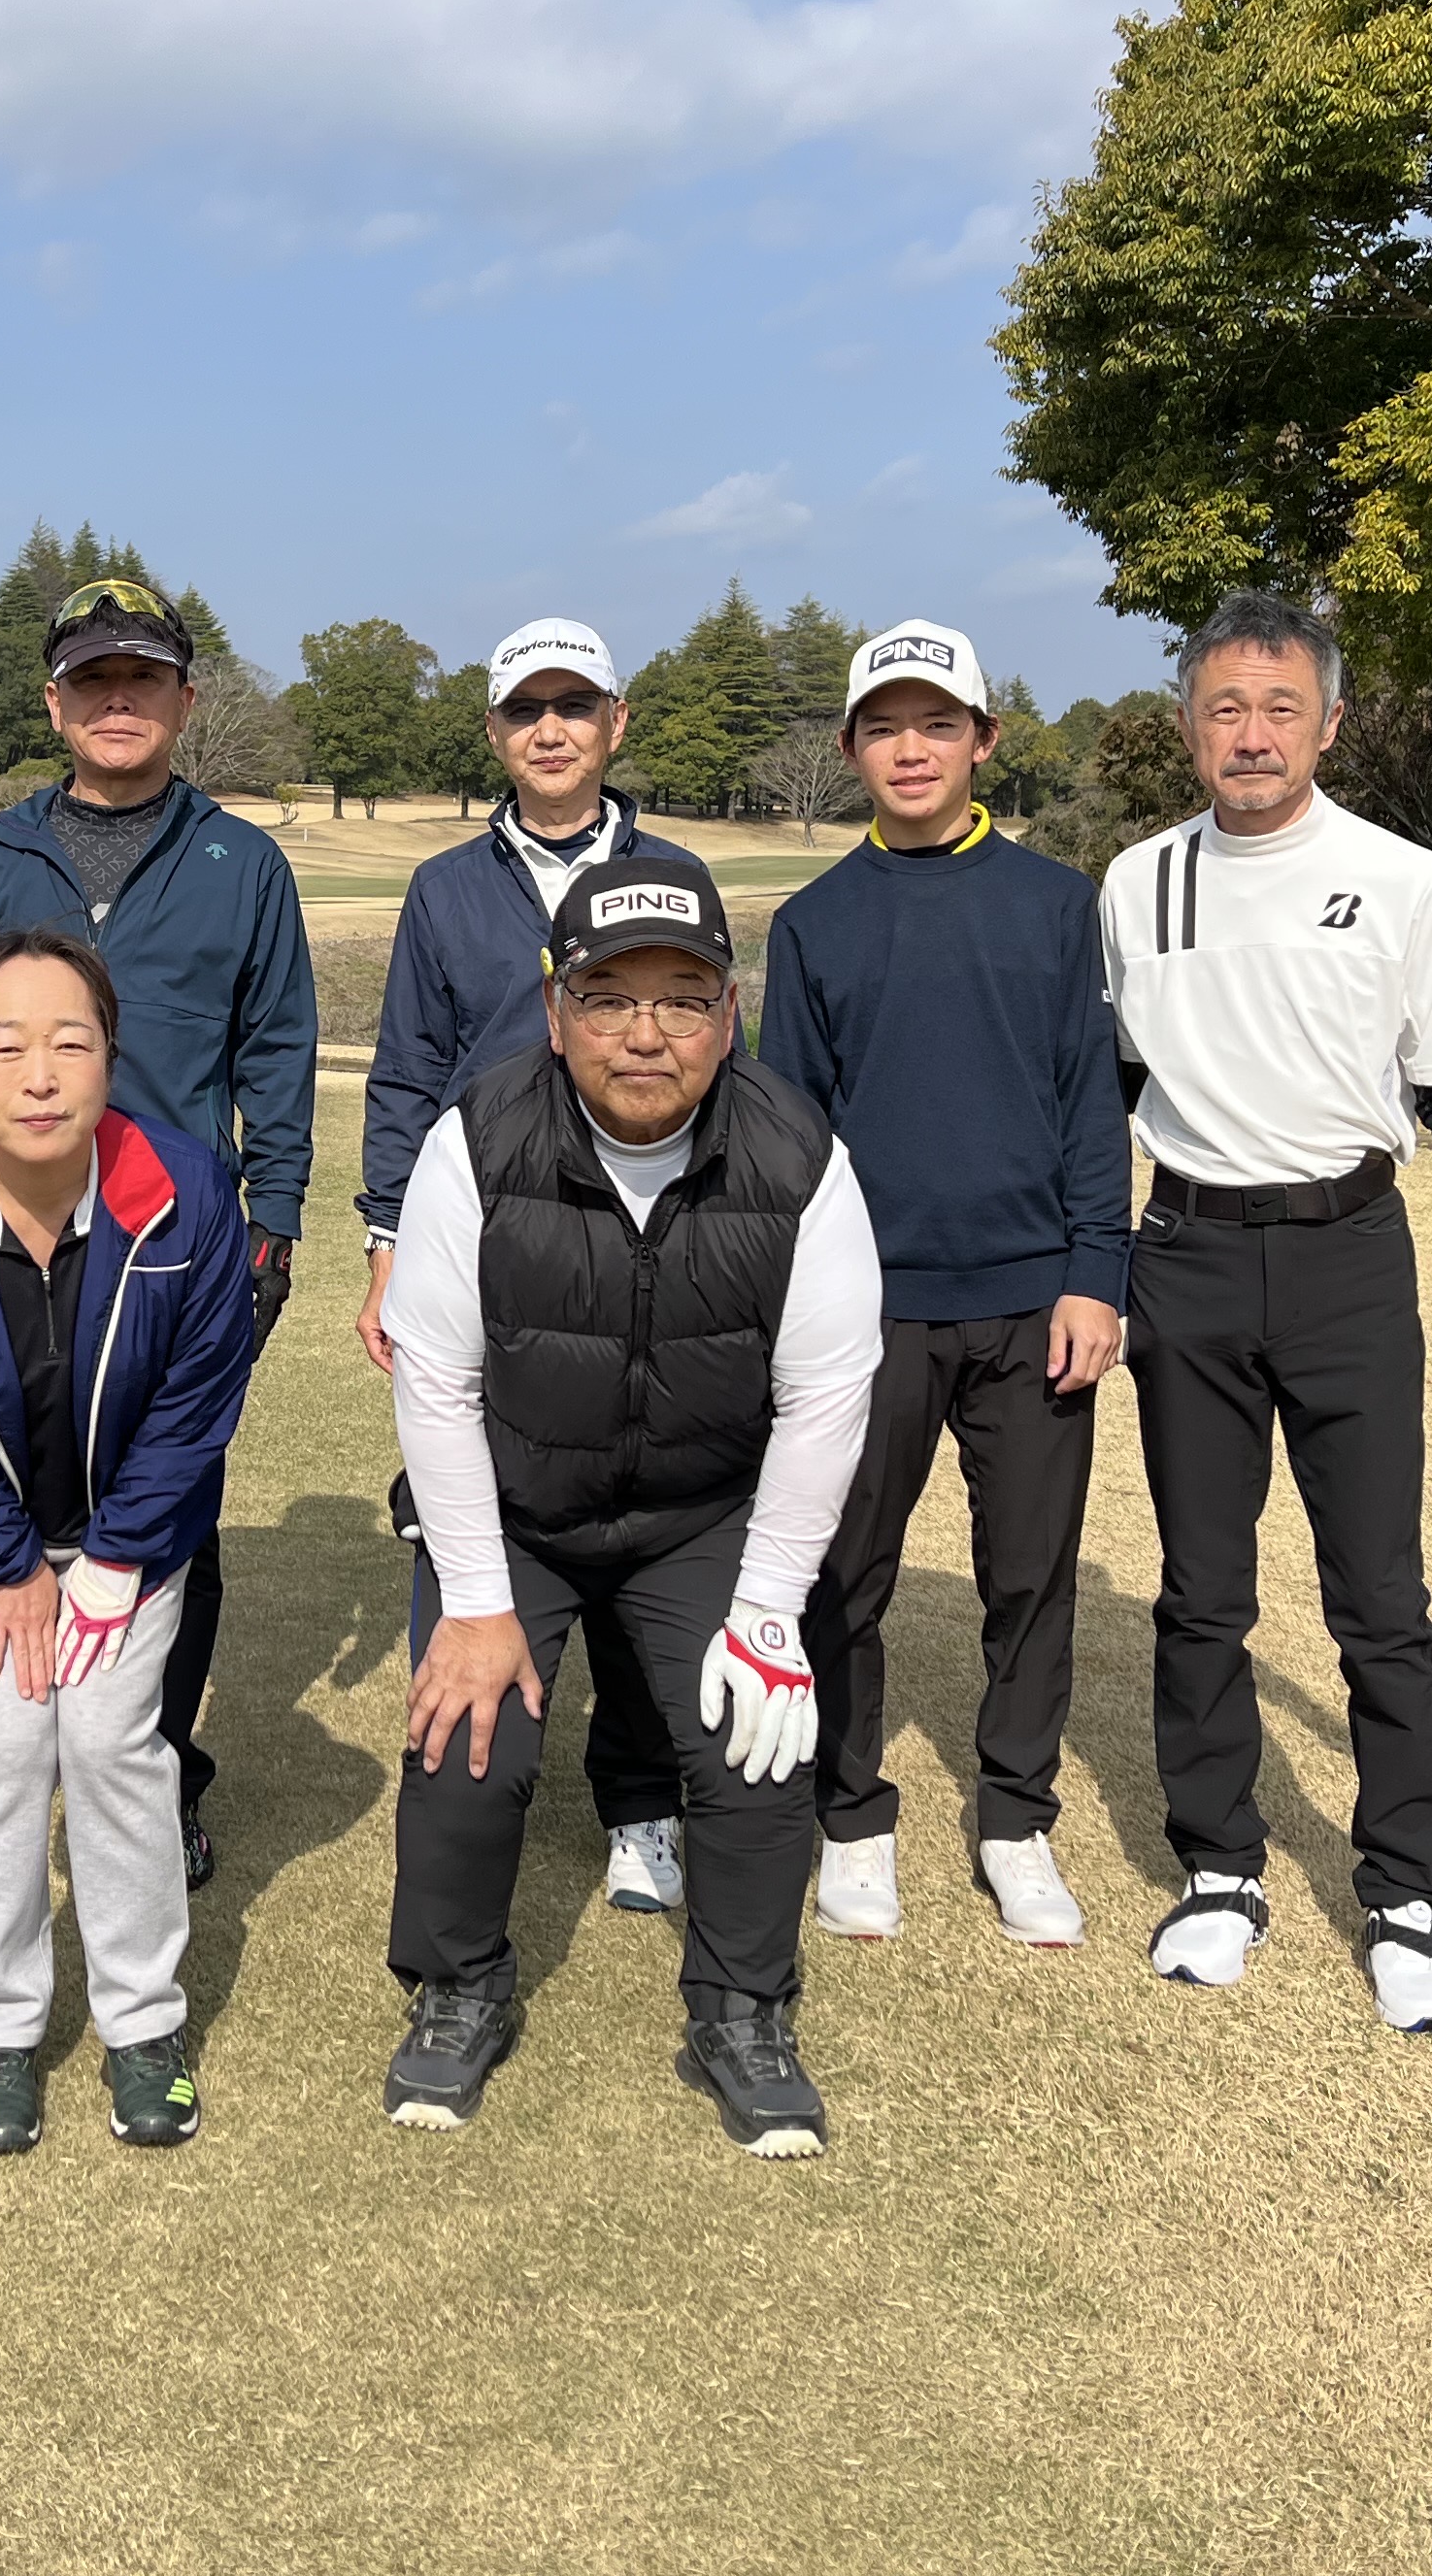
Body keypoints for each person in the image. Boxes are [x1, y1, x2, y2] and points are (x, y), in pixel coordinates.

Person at [1101, 589, 1432, 2035]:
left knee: (1380, 1598)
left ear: (1328, 724)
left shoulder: (1402, 878)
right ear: (1187, 726)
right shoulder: (1136, 881)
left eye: (1280, 709)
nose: (1251, 735)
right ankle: (1219, 1866)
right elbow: (1106, 1086)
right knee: (1202, 1590)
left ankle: (1406, 1890)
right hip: (1188, 1253)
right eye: (1224, 708)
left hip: (1349, 1257)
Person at [378, 855, 883, 2156]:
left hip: (701, 1511)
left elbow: (827, 1394)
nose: (646, 1034)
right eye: (608, 998)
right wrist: (474, 1602)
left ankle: (742, 2008)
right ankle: (459, 1983)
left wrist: (767, 1610)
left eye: (684, 998)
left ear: (731, 1013)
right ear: (556, 1012)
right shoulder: (475, 1139)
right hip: (516, 1504)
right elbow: (436, 1381)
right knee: (470, 1739)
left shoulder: (802, 1156)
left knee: (756, 1741)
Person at [0, 576, 315, 1894]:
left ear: (183, 700)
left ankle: (157, 1782)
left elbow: (276, 1053)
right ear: (54, 701)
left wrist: (274, 1220)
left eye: (143, 680)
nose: (117, 702)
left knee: (169, 1511)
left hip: (175, 1247)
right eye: (93, 680)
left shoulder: (244, 864)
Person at [0, 932, 261, 2154]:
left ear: (110, 1061)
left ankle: (142, 2024)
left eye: (71, 1044)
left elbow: (197, 1400)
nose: (40, 1076)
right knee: (5, 1749)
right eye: (5, 1046)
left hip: (133, 1536)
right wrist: (10, 1568)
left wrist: (116, 1563)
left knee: (115, 1744)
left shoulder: (187, 1194)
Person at [763, 624, 1132, 1948]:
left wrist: (1096, 1275)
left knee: (1028, 1575)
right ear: (851, 747)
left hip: (1034, 1302)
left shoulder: (1056, 904)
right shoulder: (813, 924)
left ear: (984, 740)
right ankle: (850, 1815)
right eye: (883, 728)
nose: (909, 750)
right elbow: (791, 1139)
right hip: (869, 1312)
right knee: (843, 1572)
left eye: (936, 725)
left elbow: (1090, 1104)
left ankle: (1017, 1820)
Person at [355, 617, 696, 1919]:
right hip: (482, 1236)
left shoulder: (672, 872)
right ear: (495, 731)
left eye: (574, 706)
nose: (550, 730)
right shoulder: (445, 887)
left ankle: (641, 1799)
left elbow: (717, 1060)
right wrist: (387, 1245)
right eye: (525, 710)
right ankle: (476, 1752)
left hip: (645, 1237)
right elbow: (406, 1073)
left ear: (616, 723)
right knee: (482, 1483)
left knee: (643, 1498)